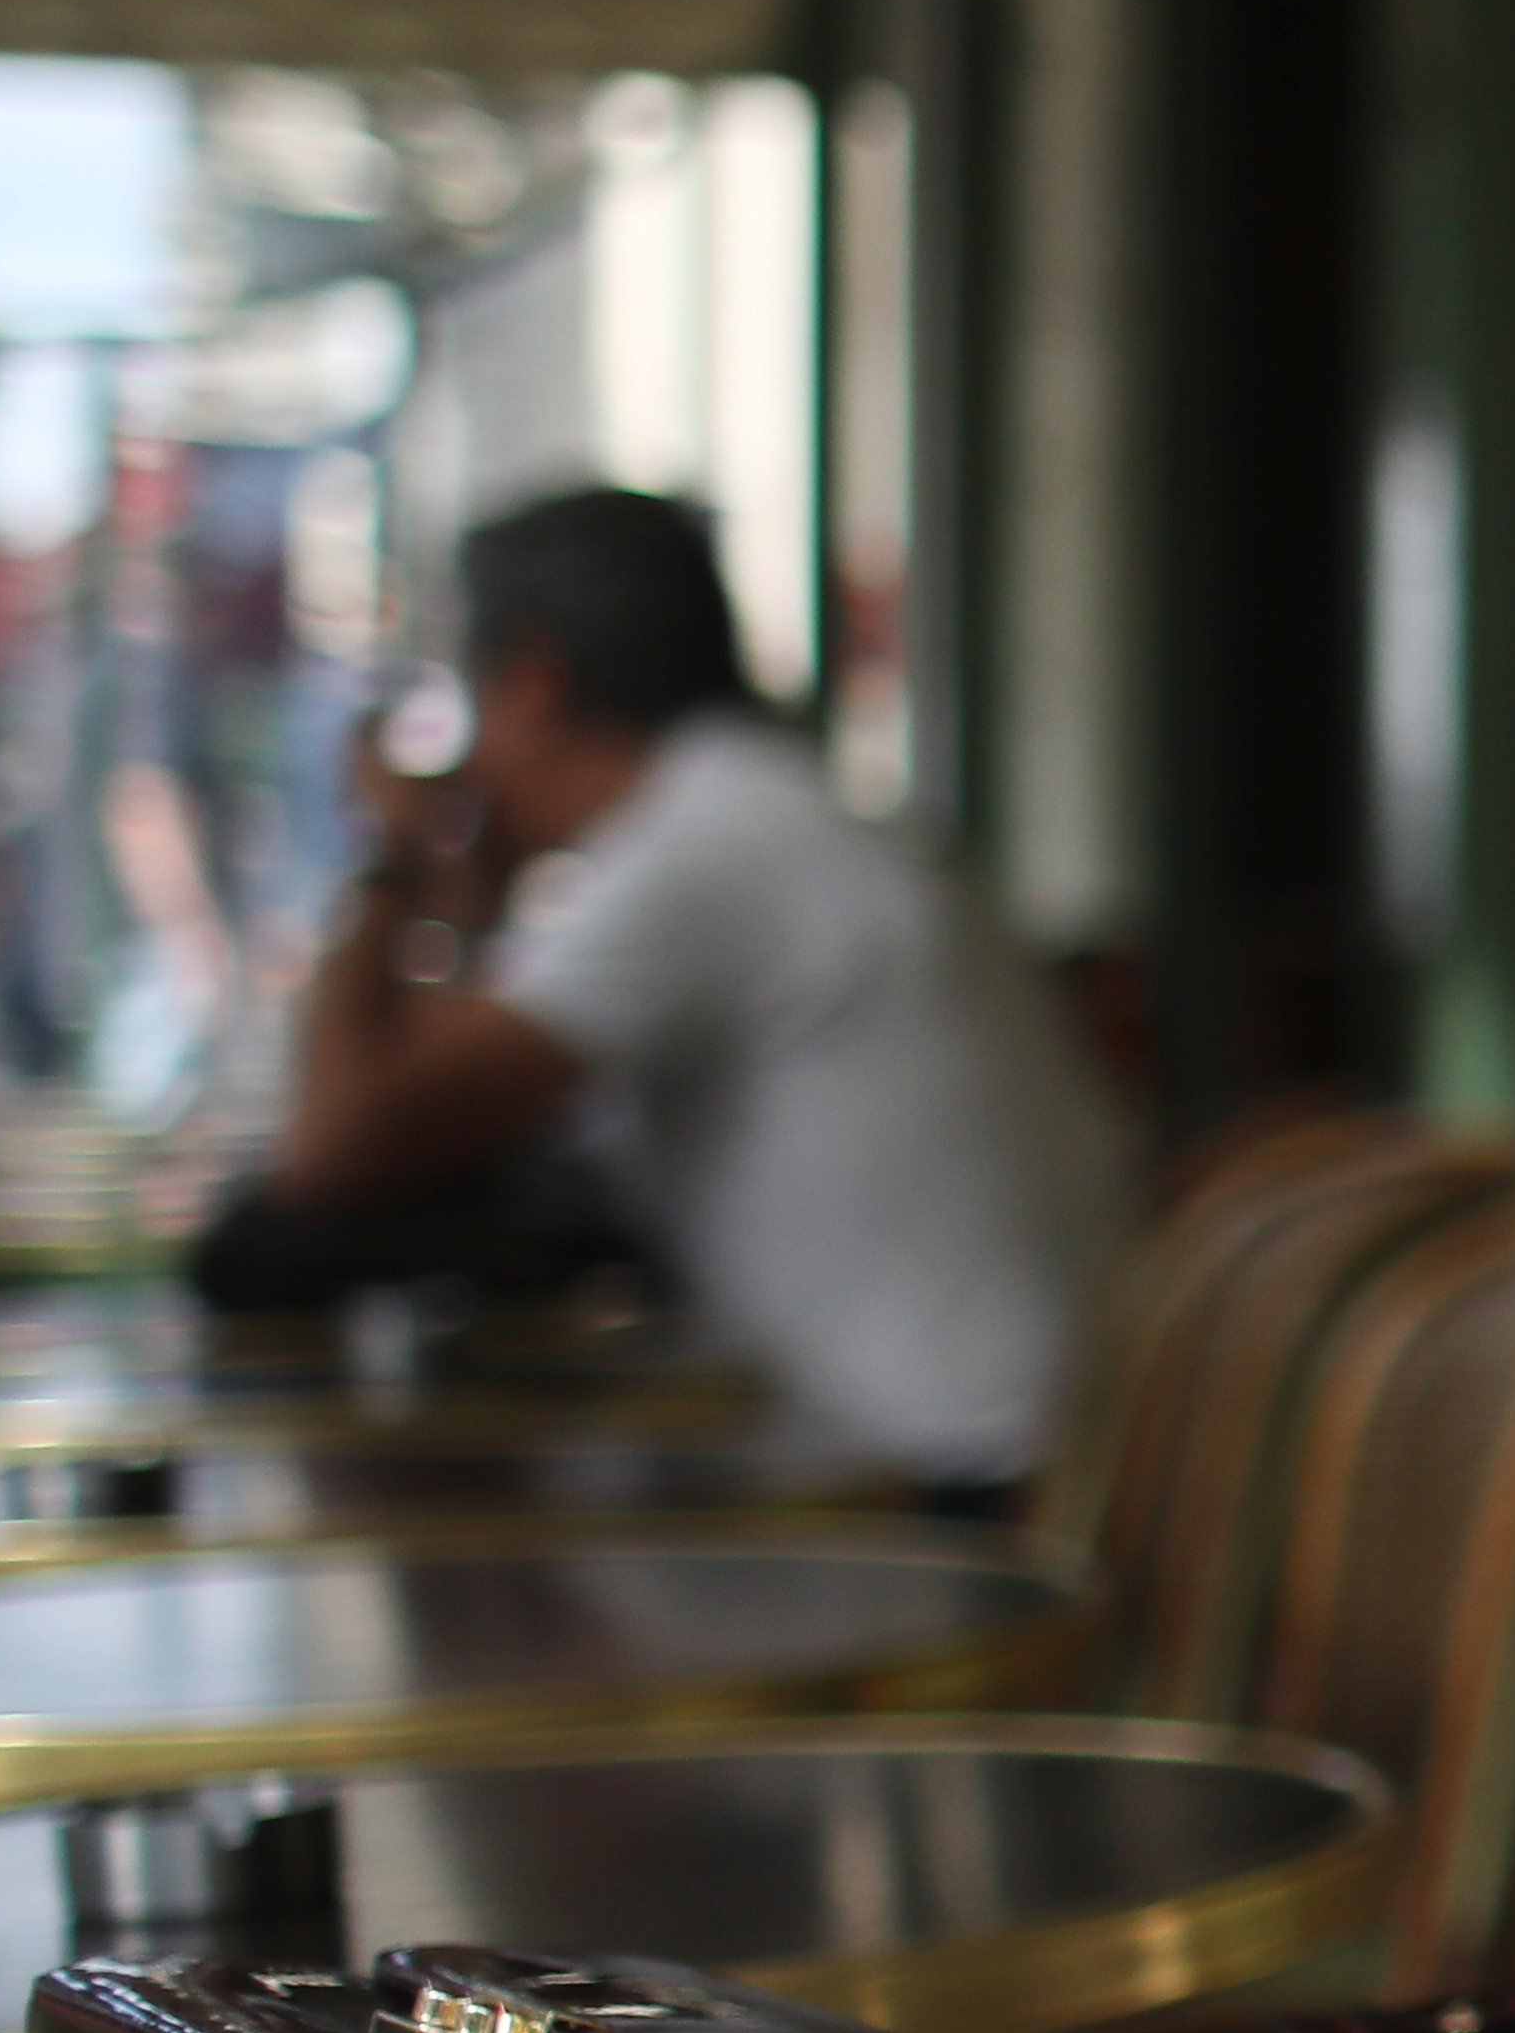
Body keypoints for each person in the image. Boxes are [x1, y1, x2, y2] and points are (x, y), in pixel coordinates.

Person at [267, 487, 1124, 1510]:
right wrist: (471, 902)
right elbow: (435, 1107)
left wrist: (394, 863)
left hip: (972, 1494)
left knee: (494, 1571)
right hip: (1016, 1451)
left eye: (474, 703)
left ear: (536, 686)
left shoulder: (707, 855)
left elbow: (334, 1149)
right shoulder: (759, 809)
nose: (470, 758)